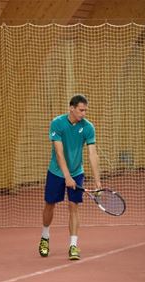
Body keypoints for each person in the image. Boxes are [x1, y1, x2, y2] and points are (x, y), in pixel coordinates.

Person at [39, 94, 101, 260]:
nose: (84, 113)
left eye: (85, 110)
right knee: (49, 205)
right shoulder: (57, 123)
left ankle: (73, 246)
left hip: (77, 172)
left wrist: (98, 183)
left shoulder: (88, 127)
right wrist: (67, 177)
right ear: (71, 108)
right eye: (81, 110)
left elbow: (93, 154)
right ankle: (45, 237)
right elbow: (59, 154)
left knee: (74, 206)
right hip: (56, 172)